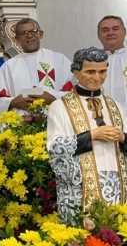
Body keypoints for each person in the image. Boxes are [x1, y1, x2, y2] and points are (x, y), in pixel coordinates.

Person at [47, 47, 127, 221]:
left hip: (117, 183)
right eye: (90, 71)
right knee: (82, 242)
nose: (97, 77)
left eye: (102, 71)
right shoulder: (60, 106)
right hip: (80, 185)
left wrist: (122, 137)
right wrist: (91, 135)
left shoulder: (116, 106)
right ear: (76, 72)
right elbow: (55, 147)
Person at [0, 18, 74, 114]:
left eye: (33, 31)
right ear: (17, 39)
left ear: (41, 34)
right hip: (23, 121)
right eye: (24, 33)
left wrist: (54, 98)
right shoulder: (8, 66)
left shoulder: (59, 60)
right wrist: (13, 102)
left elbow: (74, 88)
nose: (29, 36)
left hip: (55, 116)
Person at [97, 15, 127, 110]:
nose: (110, 33)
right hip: (101, 121)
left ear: (125, 32)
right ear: (98, 35)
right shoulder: (90, 62)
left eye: (115, 29)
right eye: (105, 30)